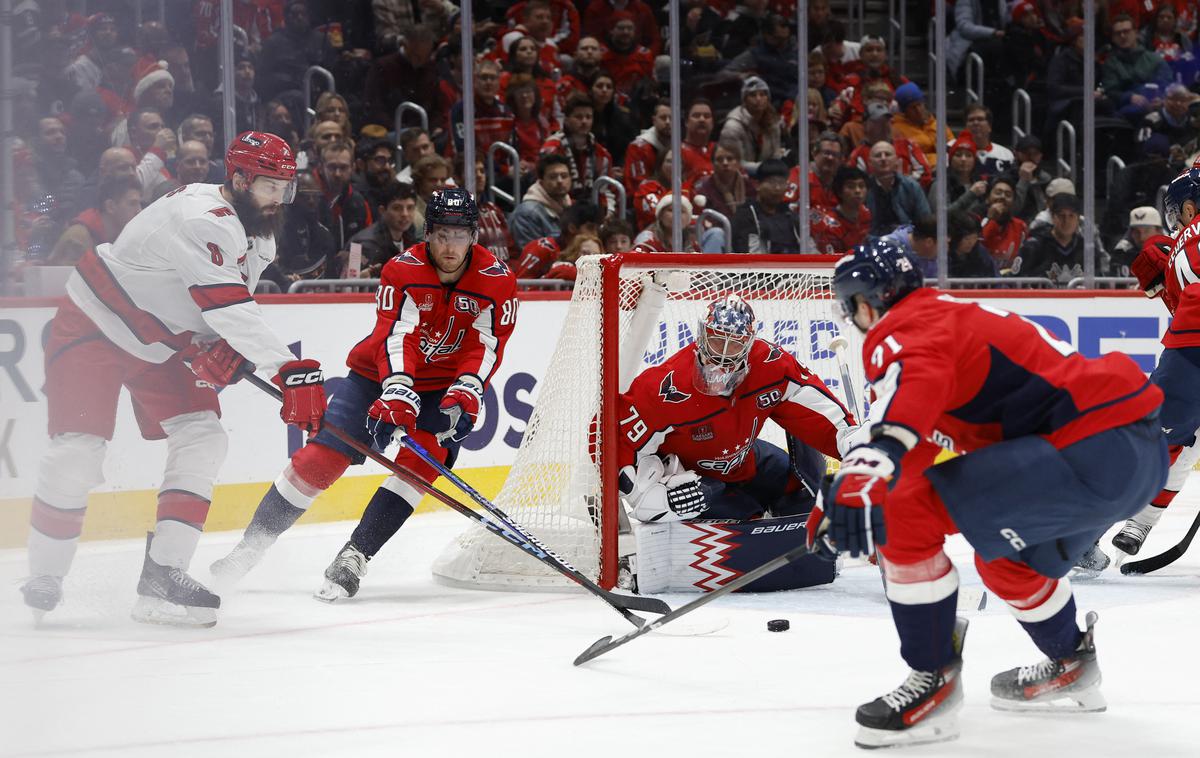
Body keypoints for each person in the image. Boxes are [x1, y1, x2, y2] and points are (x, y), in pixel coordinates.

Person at [819, 239, 1166, 748]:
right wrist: (841, 497)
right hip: (1135, 456)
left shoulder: (902, 327)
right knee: (1007, 563)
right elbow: (914, 444)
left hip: (1089, 446)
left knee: (902, 511)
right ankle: (1072, 663)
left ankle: (932, 681)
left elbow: (909, 396)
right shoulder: (942, 317)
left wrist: (867, 473)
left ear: (867, 302)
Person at [19, 132, 328, 626]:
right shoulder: (201, 217)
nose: (278, 200)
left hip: (161, 342)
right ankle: (46, 574)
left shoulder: (260, 235)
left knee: (205, 438)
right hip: (97, 322)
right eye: (270, 186)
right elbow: (224, 304)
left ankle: (164, 575)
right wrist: (290, 370)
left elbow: (225, 310)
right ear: (240, 178)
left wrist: (220, 346)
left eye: (286, 189)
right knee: (79, 449)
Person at [210, 189, 518, 601]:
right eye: (442, 234)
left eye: (459, 235)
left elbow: (486, 345)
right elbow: (398, 335)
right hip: (376, 378)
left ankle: (356, 554)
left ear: (474, 237)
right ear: (427, 234)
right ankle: (249, 549)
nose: (450, 245)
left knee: (417, 471)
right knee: (319, 460)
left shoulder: (498, 281)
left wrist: (467, 389)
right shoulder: (402, 270)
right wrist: (397, 388)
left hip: (443, 389)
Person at [616, 294, 857, 593]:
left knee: (803, 485)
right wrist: (648, 496)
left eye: (736, 343)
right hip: (702, 481)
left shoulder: (770, 363)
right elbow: (613, 440)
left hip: (747, 461)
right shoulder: (664, 388)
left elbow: (812, 406)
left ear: (750, 342)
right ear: (702, 334)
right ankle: (746, 519)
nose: (724, 352)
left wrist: (851, 441)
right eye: (717, 340)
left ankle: (793, 523)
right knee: (742, 519)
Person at [1108, 170, 1200, 557]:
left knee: (1161, 441)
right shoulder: (1176, 243)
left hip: (1188, 349)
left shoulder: (1171, 244)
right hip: (1189, 346)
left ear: (1190, 208)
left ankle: (1100, 528)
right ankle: (1134, 523)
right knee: (1176, 442)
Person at [46, 177, 142, 266]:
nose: (139, 211)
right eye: (132, 204)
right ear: (110, 206)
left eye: (139, 204)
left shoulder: (124, 239)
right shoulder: (78, 238)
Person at [347, 182, 421, 279]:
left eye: (410, 208)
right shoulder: (365, 245)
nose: (405, 214)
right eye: (397, 208)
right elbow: (351, 288)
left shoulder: (410, 238)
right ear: (382, 211)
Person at [731, 159, 799, 253]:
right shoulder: (746, 215)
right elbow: (750, 254)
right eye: (772, 182)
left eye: (782, 183)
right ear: (757, 185)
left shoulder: (790, 216)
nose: (777, 188)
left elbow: (808, 248)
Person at [720, 76, 784, 173]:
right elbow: (732, 162)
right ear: (744, 100)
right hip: (739, 177)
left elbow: (775, 155)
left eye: (762, 94)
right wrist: (764, 169)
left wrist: (774, 168)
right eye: (753, 95)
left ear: (768, 98)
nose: (758, 99)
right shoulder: (732, 127)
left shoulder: (773, 122)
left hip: (768, 176)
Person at [510, 153, 573, 249]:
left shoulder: (570, 206)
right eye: (553, 177)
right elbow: (530, 256)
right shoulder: (527, 213)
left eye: (564, 176)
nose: (560, 181)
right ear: (541, 181)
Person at [811, 166, 872, 256]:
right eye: (851, 186)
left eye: (861, 186)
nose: (858, 191)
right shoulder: (829, 226)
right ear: (839, 191)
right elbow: (831, 260)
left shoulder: (867, 214)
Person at [1110, 206, 1164, 278]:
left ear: (1159, 231)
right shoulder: (1122, 253)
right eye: (1136, 232)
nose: (1142, 237)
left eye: (1147, 231)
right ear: (1131, 233)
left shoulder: (1173, 251)